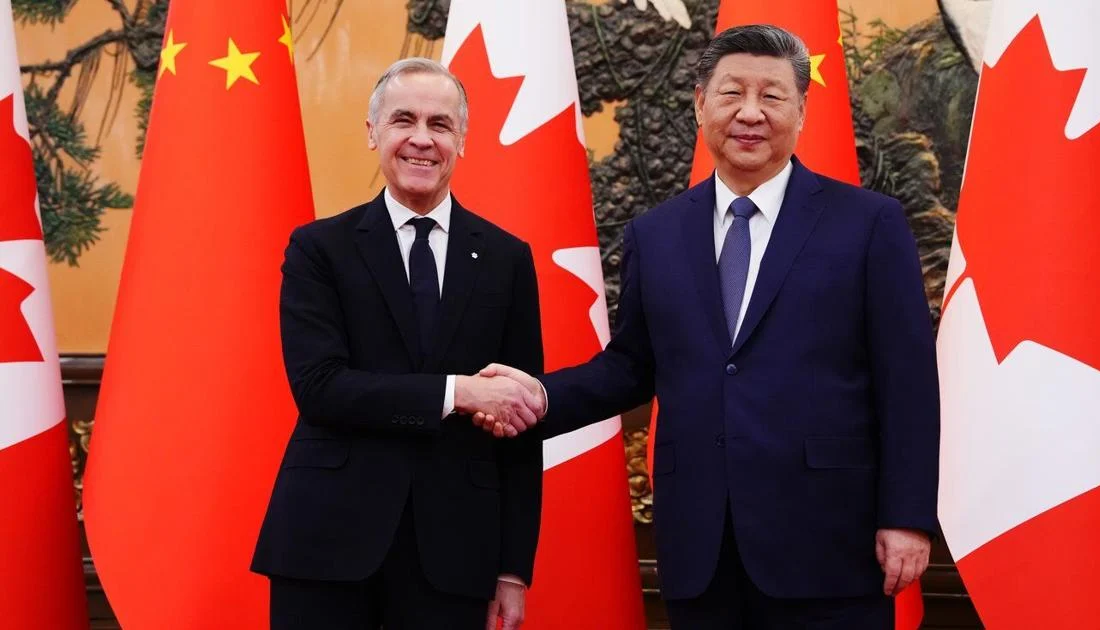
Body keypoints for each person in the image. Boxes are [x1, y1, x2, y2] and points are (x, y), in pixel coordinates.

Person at [477, 25, 940, 629]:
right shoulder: (656, 234)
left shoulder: (868, 223)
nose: (750, 112)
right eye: (731, 93)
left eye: (771, 96)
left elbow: (907, 381)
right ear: (701, 104)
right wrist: (539, 396)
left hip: (830, 541)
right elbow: (632, 366)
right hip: (702, 545)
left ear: (801, 111)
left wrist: (906, 516)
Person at [251, 58, 545, 630]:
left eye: (440, 124)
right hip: (327, 544)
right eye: (403, 120)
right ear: (373, 133)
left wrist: (513, 568)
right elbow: (320, 388)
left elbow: (519, 417)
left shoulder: (507, 259)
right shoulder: (319, 249)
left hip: (455, 551)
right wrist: (458, 393)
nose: (422, 139)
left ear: (462, 140)